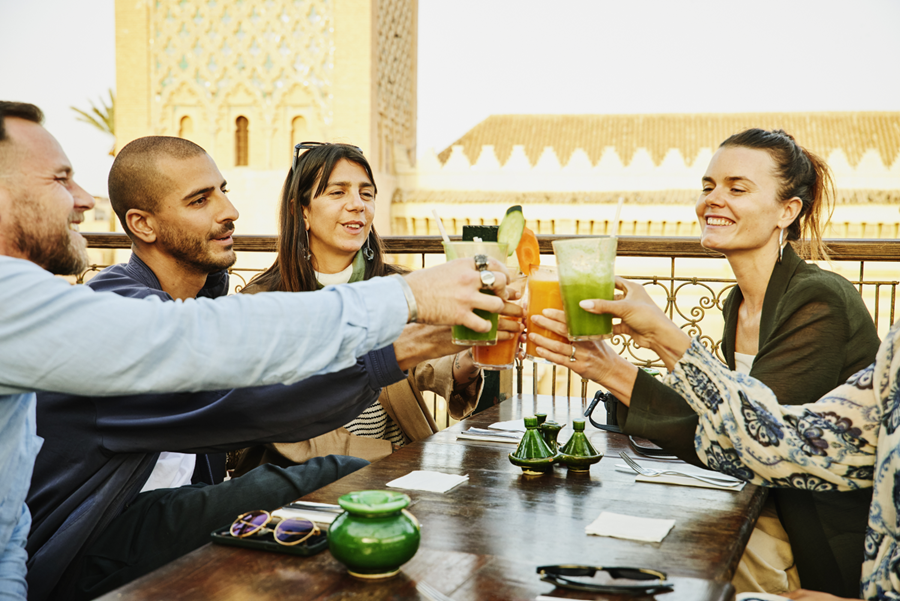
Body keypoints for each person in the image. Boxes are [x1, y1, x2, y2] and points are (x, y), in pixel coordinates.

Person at [0, 101, 510, 601]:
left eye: (223, 191)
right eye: (200, 200)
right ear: (143, 225)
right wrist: (409, 302)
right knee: (339, 480)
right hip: (87, 551)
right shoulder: (110, 308)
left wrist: (439, 338)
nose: (230, 211)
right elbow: (246, 396)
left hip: (138, 521)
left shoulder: (202, 300)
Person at [529, 129, 879, 597]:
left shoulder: (819, 300)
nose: (713, 199)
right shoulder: (740, 303)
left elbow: (748, 440)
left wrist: (653, 338)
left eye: (737, 188)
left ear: (787, 211)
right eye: (708, 186)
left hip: (812, 537)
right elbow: (721, 418)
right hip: (756, 505)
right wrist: (605, 367)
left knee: (640, 561)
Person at [552, 275, 900, 601]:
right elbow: (787, 440)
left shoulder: (818, 297)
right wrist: (620, 361)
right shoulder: (894, 352)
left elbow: (766, 443)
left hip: (811, 530)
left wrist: (659, 338)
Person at [232, 142, 521, 472]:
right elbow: (283, 426)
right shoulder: (263, 302)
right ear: (303, 211)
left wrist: (468, 359)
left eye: (366, 194)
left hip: (399, 473)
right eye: (338, 192)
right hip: (307, 479)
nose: (358, 204)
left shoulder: (397, 286)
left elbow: (422, 359)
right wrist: (392, 454)